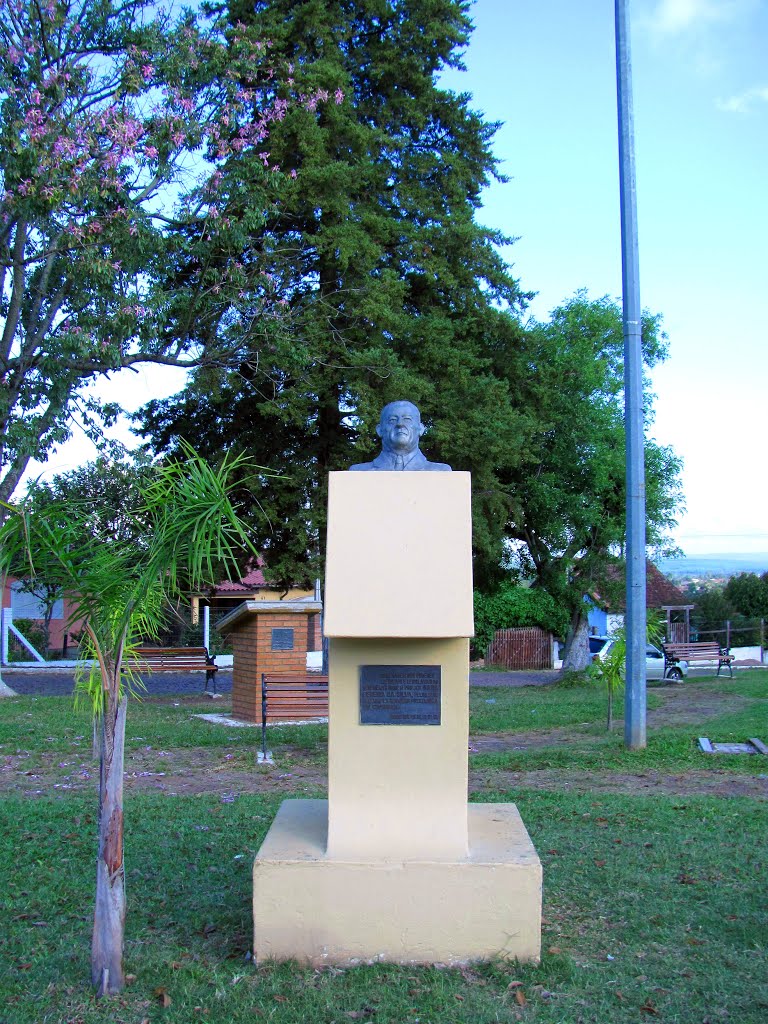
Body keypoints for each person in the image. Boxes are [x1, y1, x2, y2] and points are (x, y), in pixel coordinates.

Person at [349, 400, 451, 472]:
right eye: (392, 420)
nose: (400, 424)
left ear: (421, 429)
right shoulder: (358, 472)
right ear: (379, 430)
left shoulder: (442, 472)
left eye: (407, 419)